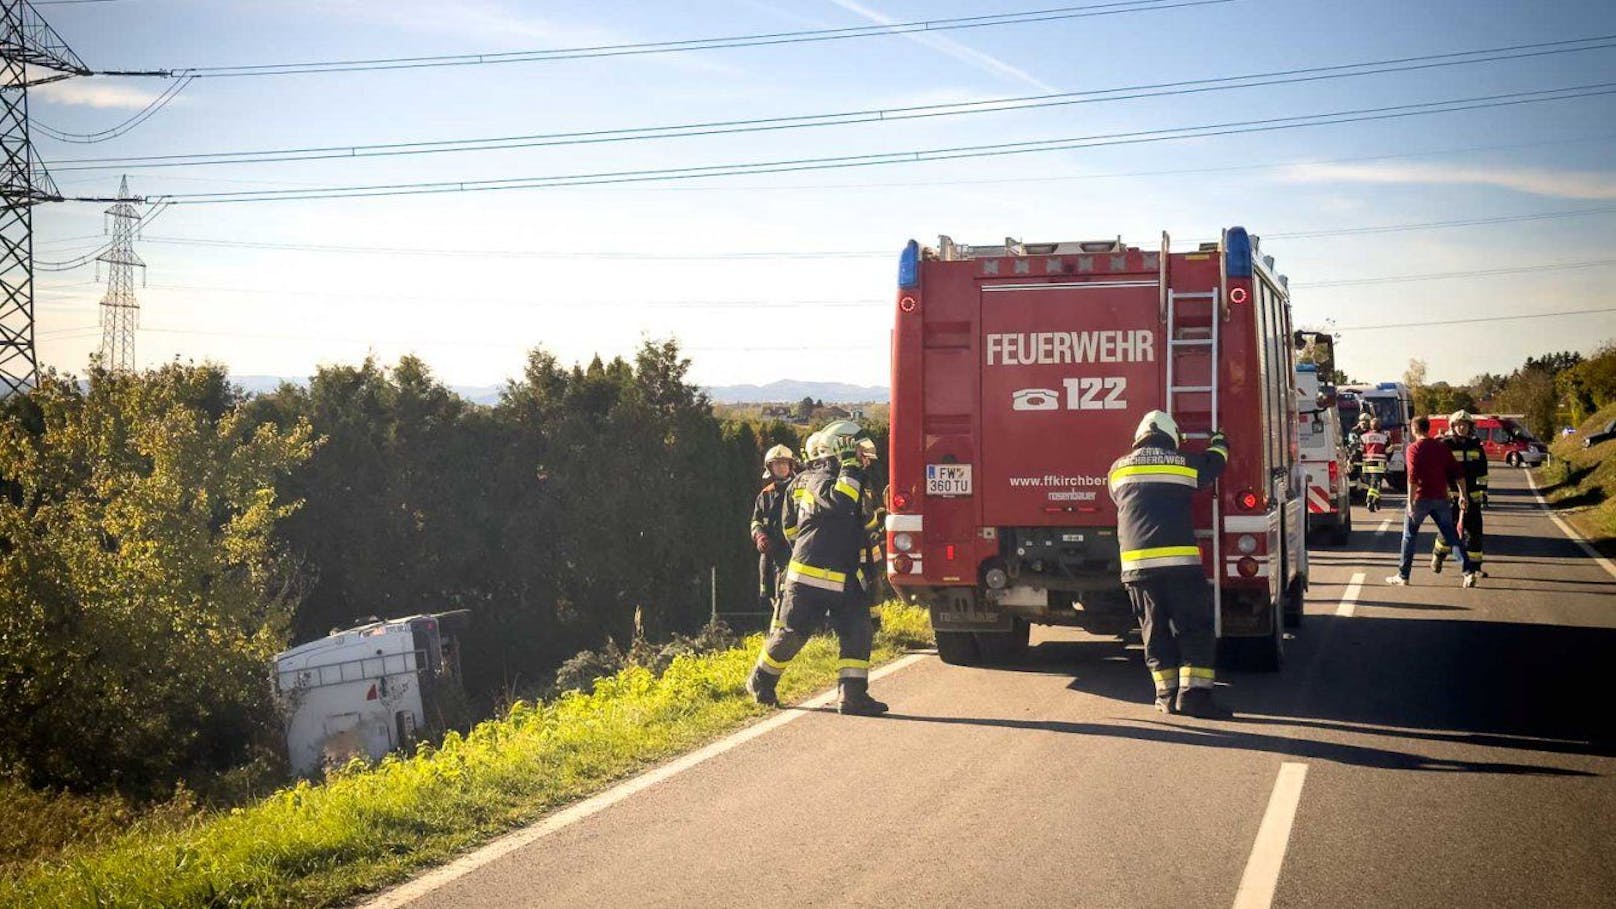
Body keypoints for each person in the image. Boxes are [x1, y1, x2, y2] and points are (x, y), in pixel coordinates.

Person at [747, 421, 888, 716]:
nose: (863, 459)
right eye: (856, 453)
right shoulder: (820, 479)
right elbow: (839, 503)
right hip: (811, 578)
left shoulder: (844, 480)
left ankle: (852, 695)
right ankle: (761, 680)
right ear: (839, 450)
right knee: (793, 634)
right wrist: (849, 468)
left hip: (845, 576)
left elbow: (859, 524)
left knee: (858, 630)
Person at [1106, 410, 1230, 719]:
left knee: (1154, 631)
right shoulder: (1181, 463)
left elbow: (1118, 501)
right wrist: (1219, 442)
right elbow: (1213, 466)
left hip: (1136, 570)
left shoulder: (1117, 470)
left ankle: (1165, 696)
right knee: (1195, 629)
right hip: (1179, 568)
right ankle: (1195, 698)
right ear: (1171, 437)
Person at [1388, 415, 1480, 588]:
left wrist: (1410, 502)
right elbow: (1457, 472)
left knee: (1409, 536)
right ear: (1428, 428)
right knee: (1452, 536)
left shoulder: (1413, 448)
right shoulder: (1441, 447)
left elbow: (1412, 476)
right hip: (1441, 498)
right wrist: (1463, 495)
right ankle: (1468, 572)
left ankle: (1403, 575)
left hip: (1421, 498)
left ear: (1414, 429)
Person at [1433, 410, 1488, 577]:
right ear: (1452, 426)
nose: (1462, 428)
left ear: (1470, 427)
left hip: (1472, 496)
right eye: (1459, 425)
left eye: (1465, 425)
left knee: (1474, 531)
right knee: (1448, 529)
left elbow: (1482, 472)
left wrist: (1483, 493)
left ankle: (1475, 567)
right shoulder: (1445, 445)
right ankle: (1438, 555)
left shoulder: (1476, 446)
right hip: (1451, 495)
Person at [749, 444, 798, 628]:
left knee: (790, 594)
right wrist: (760, 536)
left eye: (784, 463)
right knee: (773, 593)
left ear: (791, 465)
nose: (781, 467)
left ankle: (781, 633)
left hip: (795, 552)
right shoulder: (765, 495)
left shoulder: (799, 489)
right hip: (771, 556)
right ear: (770, 468)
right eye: (776, 464)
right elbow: (756, 521)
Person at [1358, 415, 1390, 513]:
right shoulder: (1385, 437)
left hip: (1366, 464)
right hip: (1379, 464)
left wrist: (1354, 461)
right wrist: (1387, 460)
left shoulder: (1364, 437)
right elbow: (1389, 451)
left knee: (1371, 484)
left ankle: (1375, 501)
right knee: (1375, 485)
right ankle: (1370, 499)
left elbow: (1359, 451)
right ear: (1380, 426)